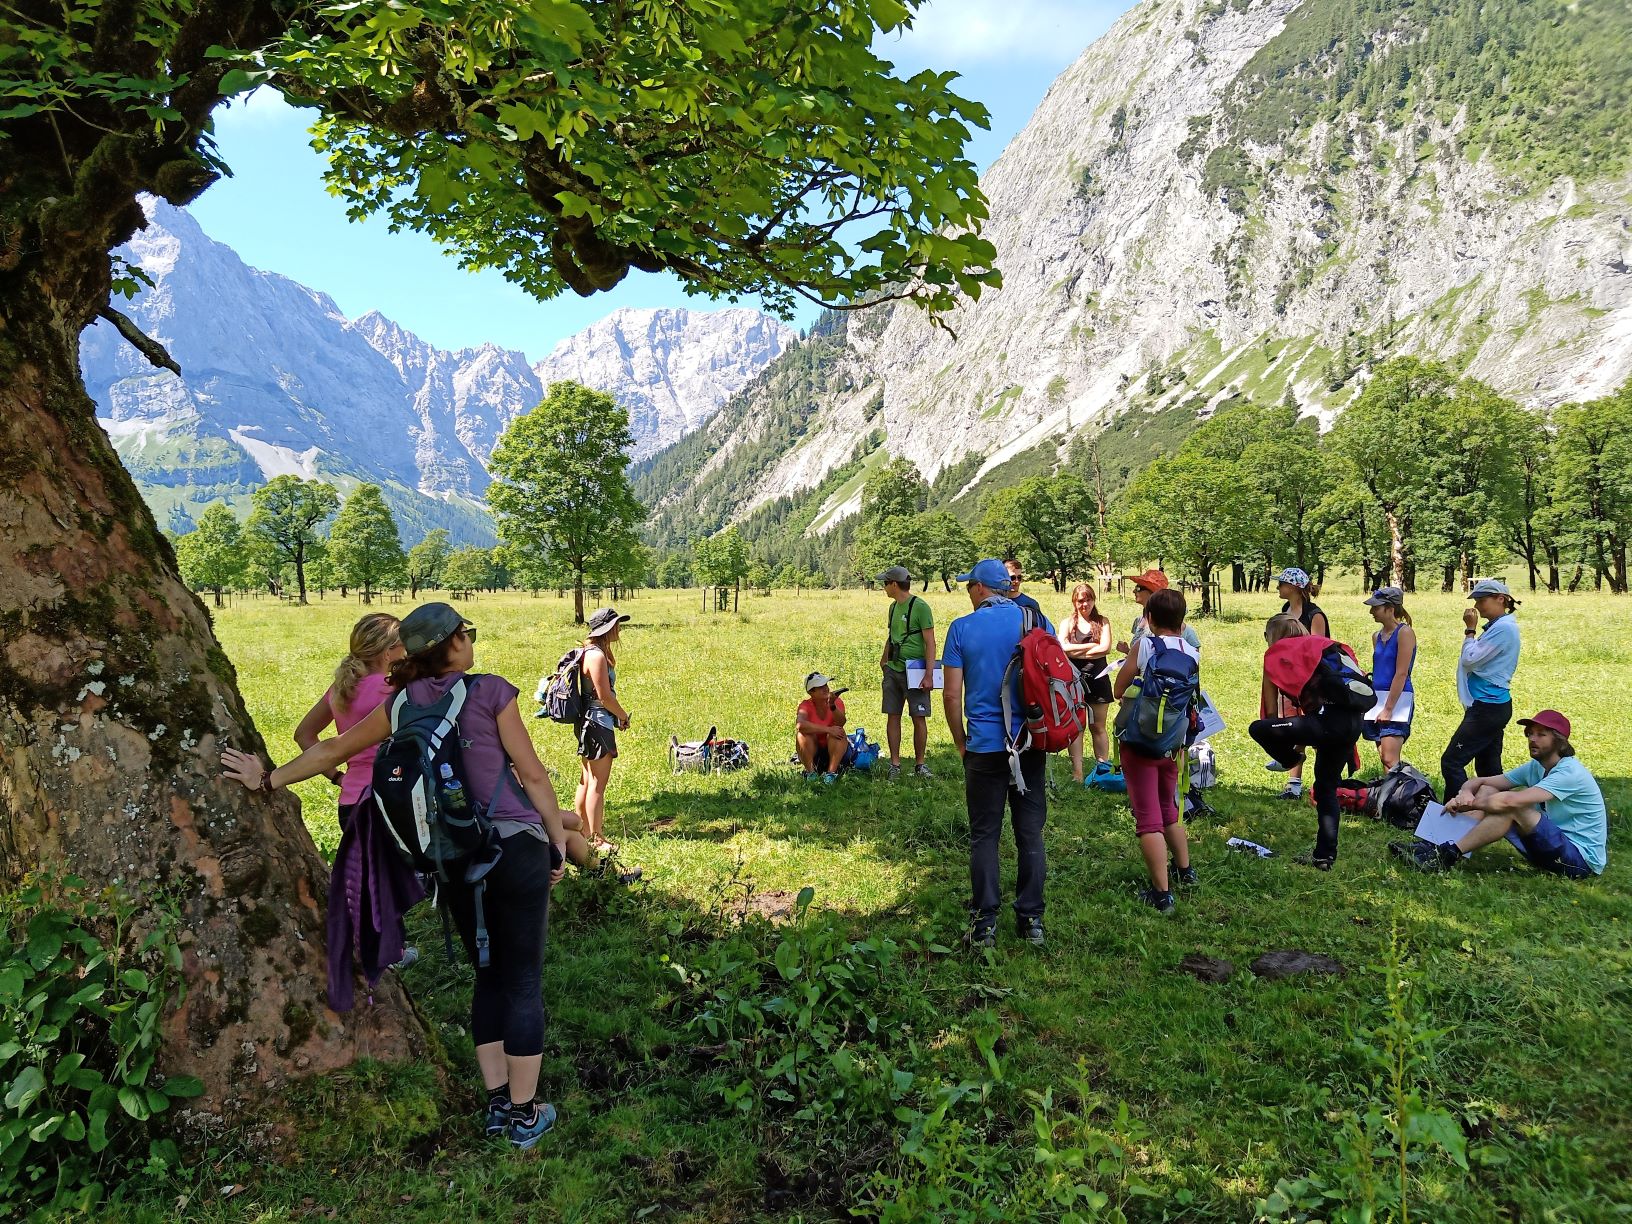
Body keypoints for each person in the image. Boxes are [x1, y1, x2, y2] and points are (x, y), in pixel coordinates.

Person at [220, 602, 571, 1149]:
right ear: (453, 644)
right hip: (514, 848)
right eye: (466, 633)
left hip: (451, 855)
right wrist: (555, 841)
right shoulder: (490, 692)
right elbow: (533, 775)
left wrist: (268, 780)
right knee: (521, 982)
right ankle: (527, 1117)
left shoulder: (403, 701)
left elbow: (333, 747)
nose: (469, 640)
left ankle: (499, 1103)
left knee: (486, 977)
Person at [292, 613, 420, 1011]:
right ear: (388, 651)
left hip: (350, 799)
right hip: (386, 799)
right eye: (404, 644)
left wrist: (335, 774)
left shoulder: (342, 687)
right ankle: (388, 955)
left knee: (368, 878)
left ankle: (389, 949)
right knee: (387, 877)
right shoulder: (391, 689)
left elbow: (304, 734)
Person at [943, 558, 1054, 949]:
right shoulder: (1036, 620)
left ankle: (985, 923)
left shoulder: (961, 629)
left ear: (979, 588)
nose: (968, 593)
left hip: (984, 747)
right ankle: (1032, 920)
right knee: (1030, 833)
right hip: (1029, 743)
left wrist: (960, 741)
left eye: (969, 586)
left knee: (985, 836)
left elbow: (952, 693)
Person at [1397, 710, 1606, 879]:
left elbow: (1510, 800)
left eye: (1541, 734)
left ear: (1560, 741)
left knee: (1511, 808)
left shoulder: (1570, 773)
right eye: (1530, 734)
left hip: (1580, 861)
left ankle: (1445, 855)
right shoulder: (1536, 766)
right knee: (1490, 790)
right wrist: (1465, 792)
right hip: (1551, 845)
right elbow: (1483, 781)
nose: (1532, 739)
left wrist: (1469, 804)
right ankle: (1432, 845)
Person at [1112, 589, 1199, 914]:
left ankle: (1161, 894)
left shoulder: (1145, 645)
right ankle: (1185, 871)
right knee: (1169, 810)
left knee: (1148, 819)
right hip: (1172, 744)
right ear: (1182, 619)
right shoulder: (1192, 651)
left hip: (1139, 741)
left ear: (1148, 618)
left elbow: (1119, 688)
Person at [1249, 633, 1366, 871]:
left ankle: (1291, 760)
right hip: (1352, 723)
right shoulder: (1326, 650)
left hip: (1327, 724)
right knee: (1326, 789)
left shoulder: (1282, 655)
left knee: (1258, 729)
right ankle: (1324, 857)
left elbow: (1271, 714)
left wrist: (1290, 751)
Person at [1442, 578, 1521, 799]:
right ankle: (1501, 814)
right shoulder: (1500, 626)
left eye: (1481, 600)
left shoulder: (1504, 629)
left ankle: (1454, 819)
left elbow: (1470, 659)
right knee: (1489, 769)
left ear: (1501, 599)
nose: (1476, 606)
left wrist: (1469, 630)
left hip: (1487, 707)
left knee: (1452, 762)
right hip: (1493, 705)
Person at [577, 607, 631, 853]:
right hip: (598, 722)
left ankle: (583, 831)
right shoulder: (597, 656)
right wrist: (622, 716)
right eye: (617, 624)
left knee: (587, 780)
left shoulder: (587, 652)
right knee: (597, 783)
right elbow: (605, 696)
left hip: (587, 721)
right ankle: (597, 838)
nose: (619, 628)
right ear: (607, 628)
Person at [876, 565, 936, 779]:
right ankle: (895, 764)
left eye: (885, 583)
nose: (883, 587)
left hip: (916, 670)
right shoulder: (892, 608)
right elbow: (892, 636)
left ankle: (920, 765)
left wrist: (929, 674)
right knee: (893, 715)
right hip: (893, 669)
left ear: (894, 584)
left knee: (918, 716)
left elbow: (930, 642)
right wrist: (884, 662)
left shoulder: (920, 607)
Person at [1057, 582, 1113, 785]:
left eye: (1089, 599)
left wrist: (1076, 649)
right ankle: (1077, 773)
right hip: (1073, 681)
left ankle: (1102, 770)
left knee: (1098, 727)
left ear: (1094, 600)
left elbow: (1105, 648)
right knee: (1076, 727)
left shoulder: (1103, 622)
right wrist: (1092, 646)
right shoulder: (1067, 623)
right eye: (1081, 600)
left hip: (1098, 680)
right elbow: (1062, 647)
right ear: (1074, 601)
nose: (1085, 604)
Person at [1363, 587, 1416, 771]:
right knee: (1384, 758)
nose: (1371, 612)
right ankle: (1391, 797)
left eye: (1375, 608)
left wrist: (1388, 708)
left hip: (1397, 699)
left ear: (1390, 609)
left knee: (1390, 757)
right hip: (1377, 699)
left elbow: (1401, 673)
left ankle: (1412, 791)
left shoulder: (1405, 633)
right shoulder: (1376, 636)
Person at [1258, 613, 1309, 801]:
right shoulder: (1314, 651)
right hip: (1340, 715)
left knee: (1264, 729)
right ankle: (1328, 788)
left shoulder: (1274, 658)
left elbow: (1270, 711)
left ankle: (1289, 762)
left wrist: (1277, 744)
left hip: (1301, 710)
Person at [1116, 569, 1201, 654]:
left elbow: (1192, 663)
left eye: (1138, 588)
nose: (1133, 591)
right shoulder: (1138, 621)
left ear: (1152, 591)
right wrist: (1127, 651)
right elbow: (1141, 657)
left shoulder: (1184, 630)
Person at [796, 672, 849, 784]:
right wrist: (828, 729)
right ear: (811, 692)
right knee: (802, 735)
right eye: (820, 687)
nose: (825, 688)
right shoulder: (805, 705)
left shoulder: (836, 702)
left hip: (833, 748)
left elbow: (841, 722)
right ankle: (811, 773)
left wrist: (832, 706)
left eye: (825, 685)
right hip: (814, 750)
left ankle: (831, 774)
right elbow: (800, 725)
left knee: (839, 731)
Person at [1274, 566, 1329, 637]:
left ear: (1292, 587)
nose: (1277, 587)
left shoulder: (1314, 615)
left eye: (1280, 584)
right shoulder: (1286, 608)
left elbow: (1318, 645)